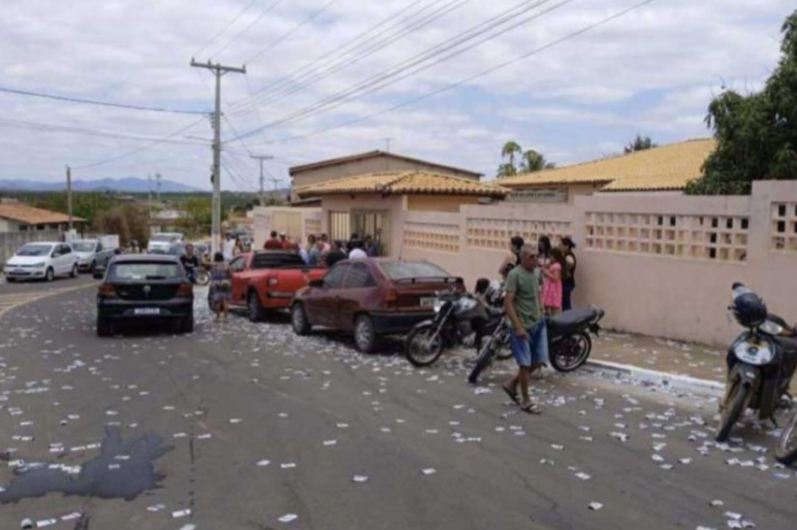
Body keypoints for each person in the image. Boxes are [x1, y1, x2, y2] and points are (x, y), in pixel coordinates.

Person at [502, 244, 548, 415]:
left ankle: (512, 384)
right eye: (532, 257)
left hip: (538, 322)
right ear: (522, 258)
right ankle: (526, 400)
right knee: (525, 363)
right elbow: (508, 302)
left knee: (539, 360)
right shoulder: (515, 275)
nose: (535, 260)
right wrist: (518, 327)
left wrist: (541, 309)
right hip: (521, 326)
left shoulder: (536, 273)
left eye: (537, 256)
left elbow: (537, 292)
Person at [541, 247, 564, 315]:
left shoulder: (557, 266)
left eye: (550, 256)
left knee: (554, 309)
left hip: (553, 290)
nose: (550, 258)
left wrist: (546, 273)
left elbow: (556, 278)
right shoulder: (553, 264)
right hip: (550, 288)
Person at [210, 252, 232, 322]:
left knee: (217, 301)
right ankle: (226, 318)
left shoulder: (213, 266)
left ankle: (217, 317)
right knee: (225, 300)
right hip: (225, 283)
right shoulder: (226, 265)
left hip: (216, 283)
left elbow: (212, 275)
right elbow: (230, 274)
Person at [559, 237, 577, 311]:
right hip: (567, 282)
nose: (559, 247)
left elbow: (570, 263)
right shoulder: (565, 255)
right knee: (565, 303)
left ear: (566, 246)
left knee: (566, 304)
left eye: (561, 245)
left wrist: (564, 270)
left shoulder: (568, 256)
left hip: (567, 282)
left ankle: (568, 319)